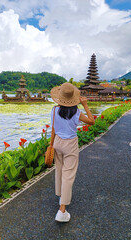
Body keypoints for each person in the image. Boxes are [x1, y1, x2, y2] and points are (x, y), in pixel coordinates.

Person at [50, 82, 95, 222]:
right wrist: (85, 105)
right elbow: (92, 121)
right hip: (70, 144)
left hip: (57, 142)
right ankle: (62, 210)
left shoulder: (54, 110)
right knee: (68, 175)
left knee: (59, 171)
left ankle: (61, 197)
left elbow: (53, 129)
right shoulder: (77, 113)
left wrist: (50, 145)